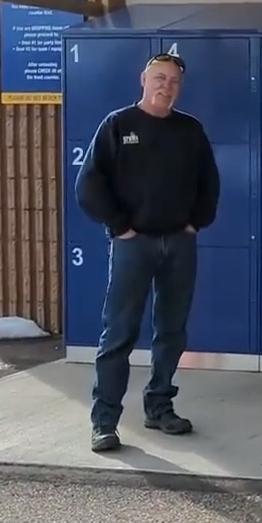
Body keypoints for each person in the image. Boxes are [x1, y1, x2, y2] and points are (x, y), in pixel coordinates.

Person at [74, 51, 221, 452]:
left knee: (171, 331)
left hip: (179, 243)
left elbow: (210, 182)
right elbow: (88, 185)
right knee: (119, 333)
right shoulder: (118, 125)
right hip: (132, 245)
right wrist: (120, 227)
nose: (166, 87)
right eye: (159, 78)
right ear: (143, 79)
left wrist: (195, 222)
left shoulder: (190, 130)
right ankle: (104, 421)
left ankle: (159, 406)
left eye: (173, 81)